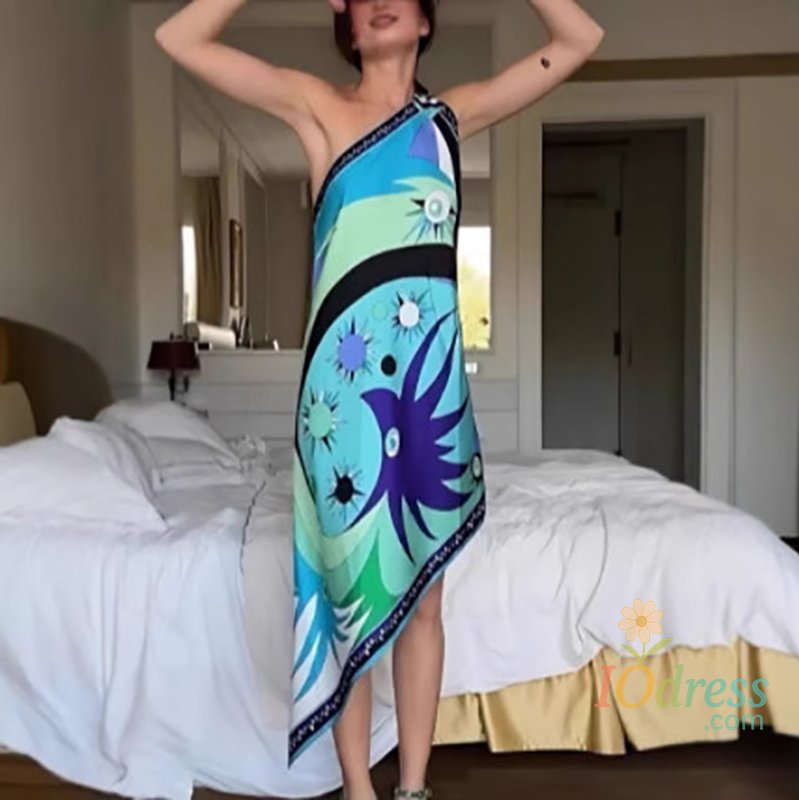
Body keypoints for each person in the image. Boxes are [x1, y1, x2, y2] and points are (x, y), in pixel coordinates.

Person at [155, 1, 604, 798]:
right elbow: (178, 38)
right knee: (351, 602)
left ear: (427, 20)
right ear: (347, 19)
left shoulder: (449, 118)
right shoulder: (315, 107)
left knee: (425, 600)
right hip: (344, 399)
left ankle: (413, 787)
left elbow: (579, 39)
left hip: (427, 390)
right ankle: (360, 788)